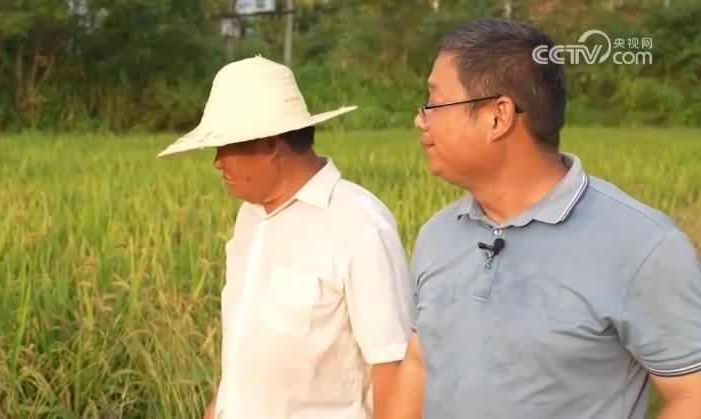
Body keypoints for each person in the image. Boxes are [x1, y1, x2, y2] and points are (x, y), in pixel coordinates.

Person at [393, 16, 701, 419]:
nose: (421, 119)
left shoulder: (642, 246)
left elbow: (692, 395)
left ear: (498, 116)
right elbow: (418, 365)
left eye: (435, 103)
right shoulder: (438, 235)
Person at [157, 55, 414, 419]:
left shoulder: (359, 225)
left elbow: (391, 365)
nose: (217, 161)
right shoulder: (250, 218)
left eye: (225, 146)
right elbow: (248, 350)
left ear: (270, 143)